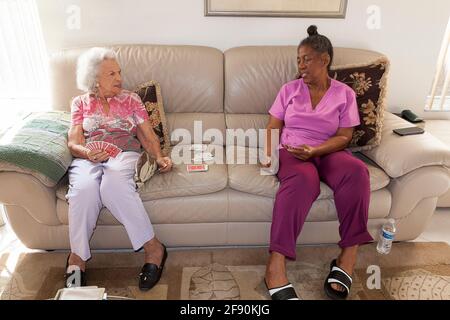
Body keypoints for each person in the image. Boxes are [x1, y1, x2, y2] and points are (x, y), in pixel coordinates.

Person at [261, 26, 373, 300]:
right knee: (304, 180)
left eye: (306, 59)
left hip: (328, 149)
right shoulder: (289, 90)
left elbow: (345, 136)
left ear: (325, 60)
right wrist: (268, 158)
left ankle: (347, 258)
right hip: (294, 149)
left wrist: (317, 150)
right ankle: (275, 265)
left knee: (358, 171)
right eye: (298, 60)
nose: (300, 65)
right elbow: (273, 126)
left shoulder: (344, 93)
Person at [66, 47, 173, 291]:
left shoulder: (131, 100)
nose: (119, 79)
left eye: (119, 72)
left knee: (113, 186)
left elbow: (147, 135)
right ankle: (77, 258)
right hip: (88, 156)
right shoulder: (79, 103)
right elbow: (73, 142)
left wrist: (159, 157)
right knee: (83, 189)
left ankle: (153, 248)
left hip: (124, 153)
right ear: (94, 80)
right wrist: (87, 153)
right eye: (111, 74)